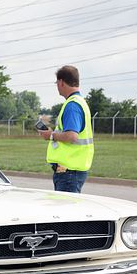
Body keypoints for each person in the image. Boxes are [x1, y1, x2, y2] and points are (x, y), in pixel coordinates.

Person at [38, 65, 94, 193]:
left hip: (68, 172)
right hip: (72, 171)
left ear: (61, 82)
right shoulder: (79, 102)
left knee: (65, 210)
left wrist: (51, 135)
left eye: (56, 83)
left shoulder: (72, 105)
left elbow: (71, 136)